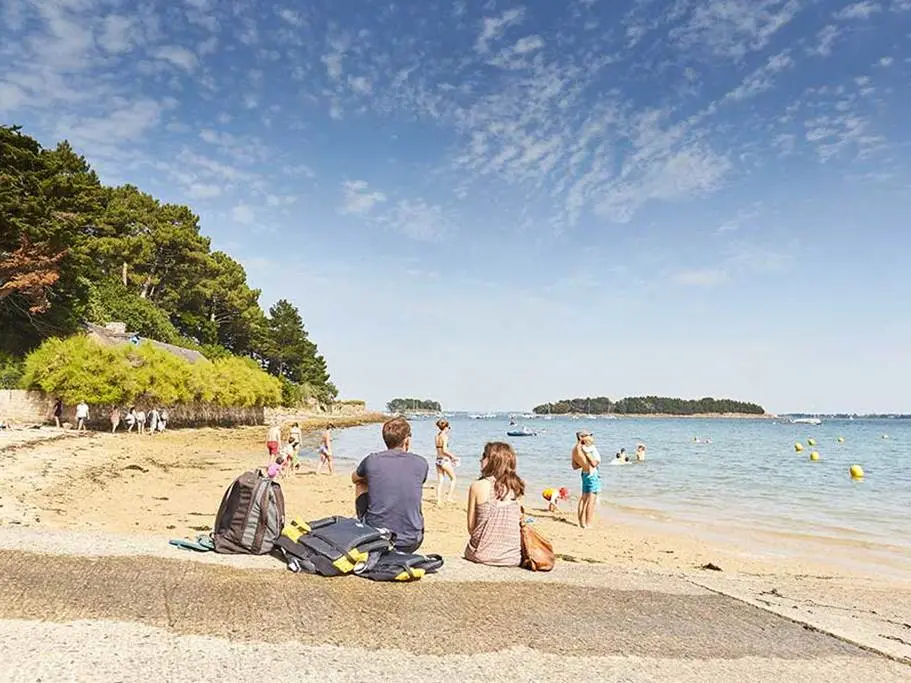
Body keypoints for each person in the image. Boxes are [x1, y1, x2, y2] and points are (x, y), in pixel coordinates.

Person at [351, 417, 428, 553]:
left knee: (361, 483)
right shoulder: (421, 462)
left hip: (377, 538)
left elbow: (355, 478)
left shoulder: (372, 460)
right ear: (407, 440)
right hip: (412, 540)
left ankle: (365, 522)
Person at [464, 442, 524, 567]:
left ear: (492, 461)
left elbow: (471, 528)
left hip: (482, 554)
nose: (480, 459)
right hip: (512, 557)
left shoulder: (478, 486)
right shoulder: (516, 487)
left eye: (484, 456)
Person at [572, 430, 601, 529]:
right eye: (589, 435)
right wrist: (593, 460)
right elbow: (594, 463)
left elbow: (574, 466)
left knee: (584, 498)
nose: (592, 437)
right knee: (591, 499)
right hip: (592, 474)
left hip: (584, 474)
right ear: (582, 437)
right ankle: (588, 524)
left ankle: (581, 522)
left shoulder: (575, 449)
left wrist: (584, 463)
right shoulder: (586, 448)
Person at [434, 419, 458, 504]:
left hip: (438, 460)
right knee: (453, 479)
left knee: (440, 480)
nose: (448, 430)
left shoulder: (437, 436)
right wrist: (453, 457)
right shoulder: (445, 437)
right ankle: (449, 497)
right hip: (444, 460)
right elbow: (444, 450)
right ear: (446, 427)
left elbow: (439, 449)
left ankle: (438, 500)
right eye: (448, 428)